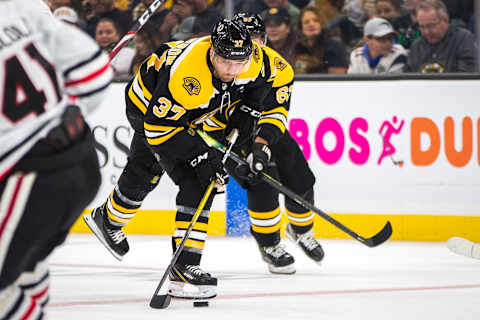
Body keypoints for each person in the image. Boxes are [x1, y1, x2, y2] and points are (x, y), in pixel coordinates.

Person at [83, 19, 289, 299]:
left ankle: (108, 220)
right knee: (196, 177)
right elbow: (158, 130)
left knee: (147, 169)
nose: (231, 70)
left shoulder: (253, 59)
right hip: (147, 110)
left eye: (237, 63)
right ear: (213, 52)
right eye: (226, 61)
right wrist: (202, 157)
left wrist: (245, 123)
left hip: (190, 113)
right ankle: (185, 266)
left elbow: (258, 87)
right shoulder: (189, 76)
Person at [0, 0, 113, 319]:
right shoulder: (18, 8)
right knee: (25, 265)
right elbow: (93, 71)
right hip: (78, 156)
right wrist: (55, 117)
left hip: (32, 178)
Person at [210, 12, 324, 274]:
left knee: (301, 178)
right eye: (246, 38)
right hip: (232, 135)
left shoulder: (279, 67)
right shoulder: (222, 66)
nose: (252, 44)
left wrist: (264, 140)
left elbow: (278, 110)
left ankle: (302, 231)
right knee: (262, 184)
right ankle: (270, 245)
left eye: (256, 38)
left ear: (264, 40)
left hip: (269, 131)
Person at [404, 0, 476, 73]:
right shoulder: (416, 46)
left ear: (446, 20)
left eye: (431, 26)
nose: (426, 32)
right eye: (422, 27)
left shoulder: (463, 39)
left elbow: (465, 75)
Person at [295, 6, 348, 74]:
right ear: (301, 27)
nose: (311, 24)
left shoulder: (334, 46)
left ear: (321, 24)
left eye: (316, 20)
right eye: (306, 22)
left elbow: (337, 79)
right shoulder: (296, 46)